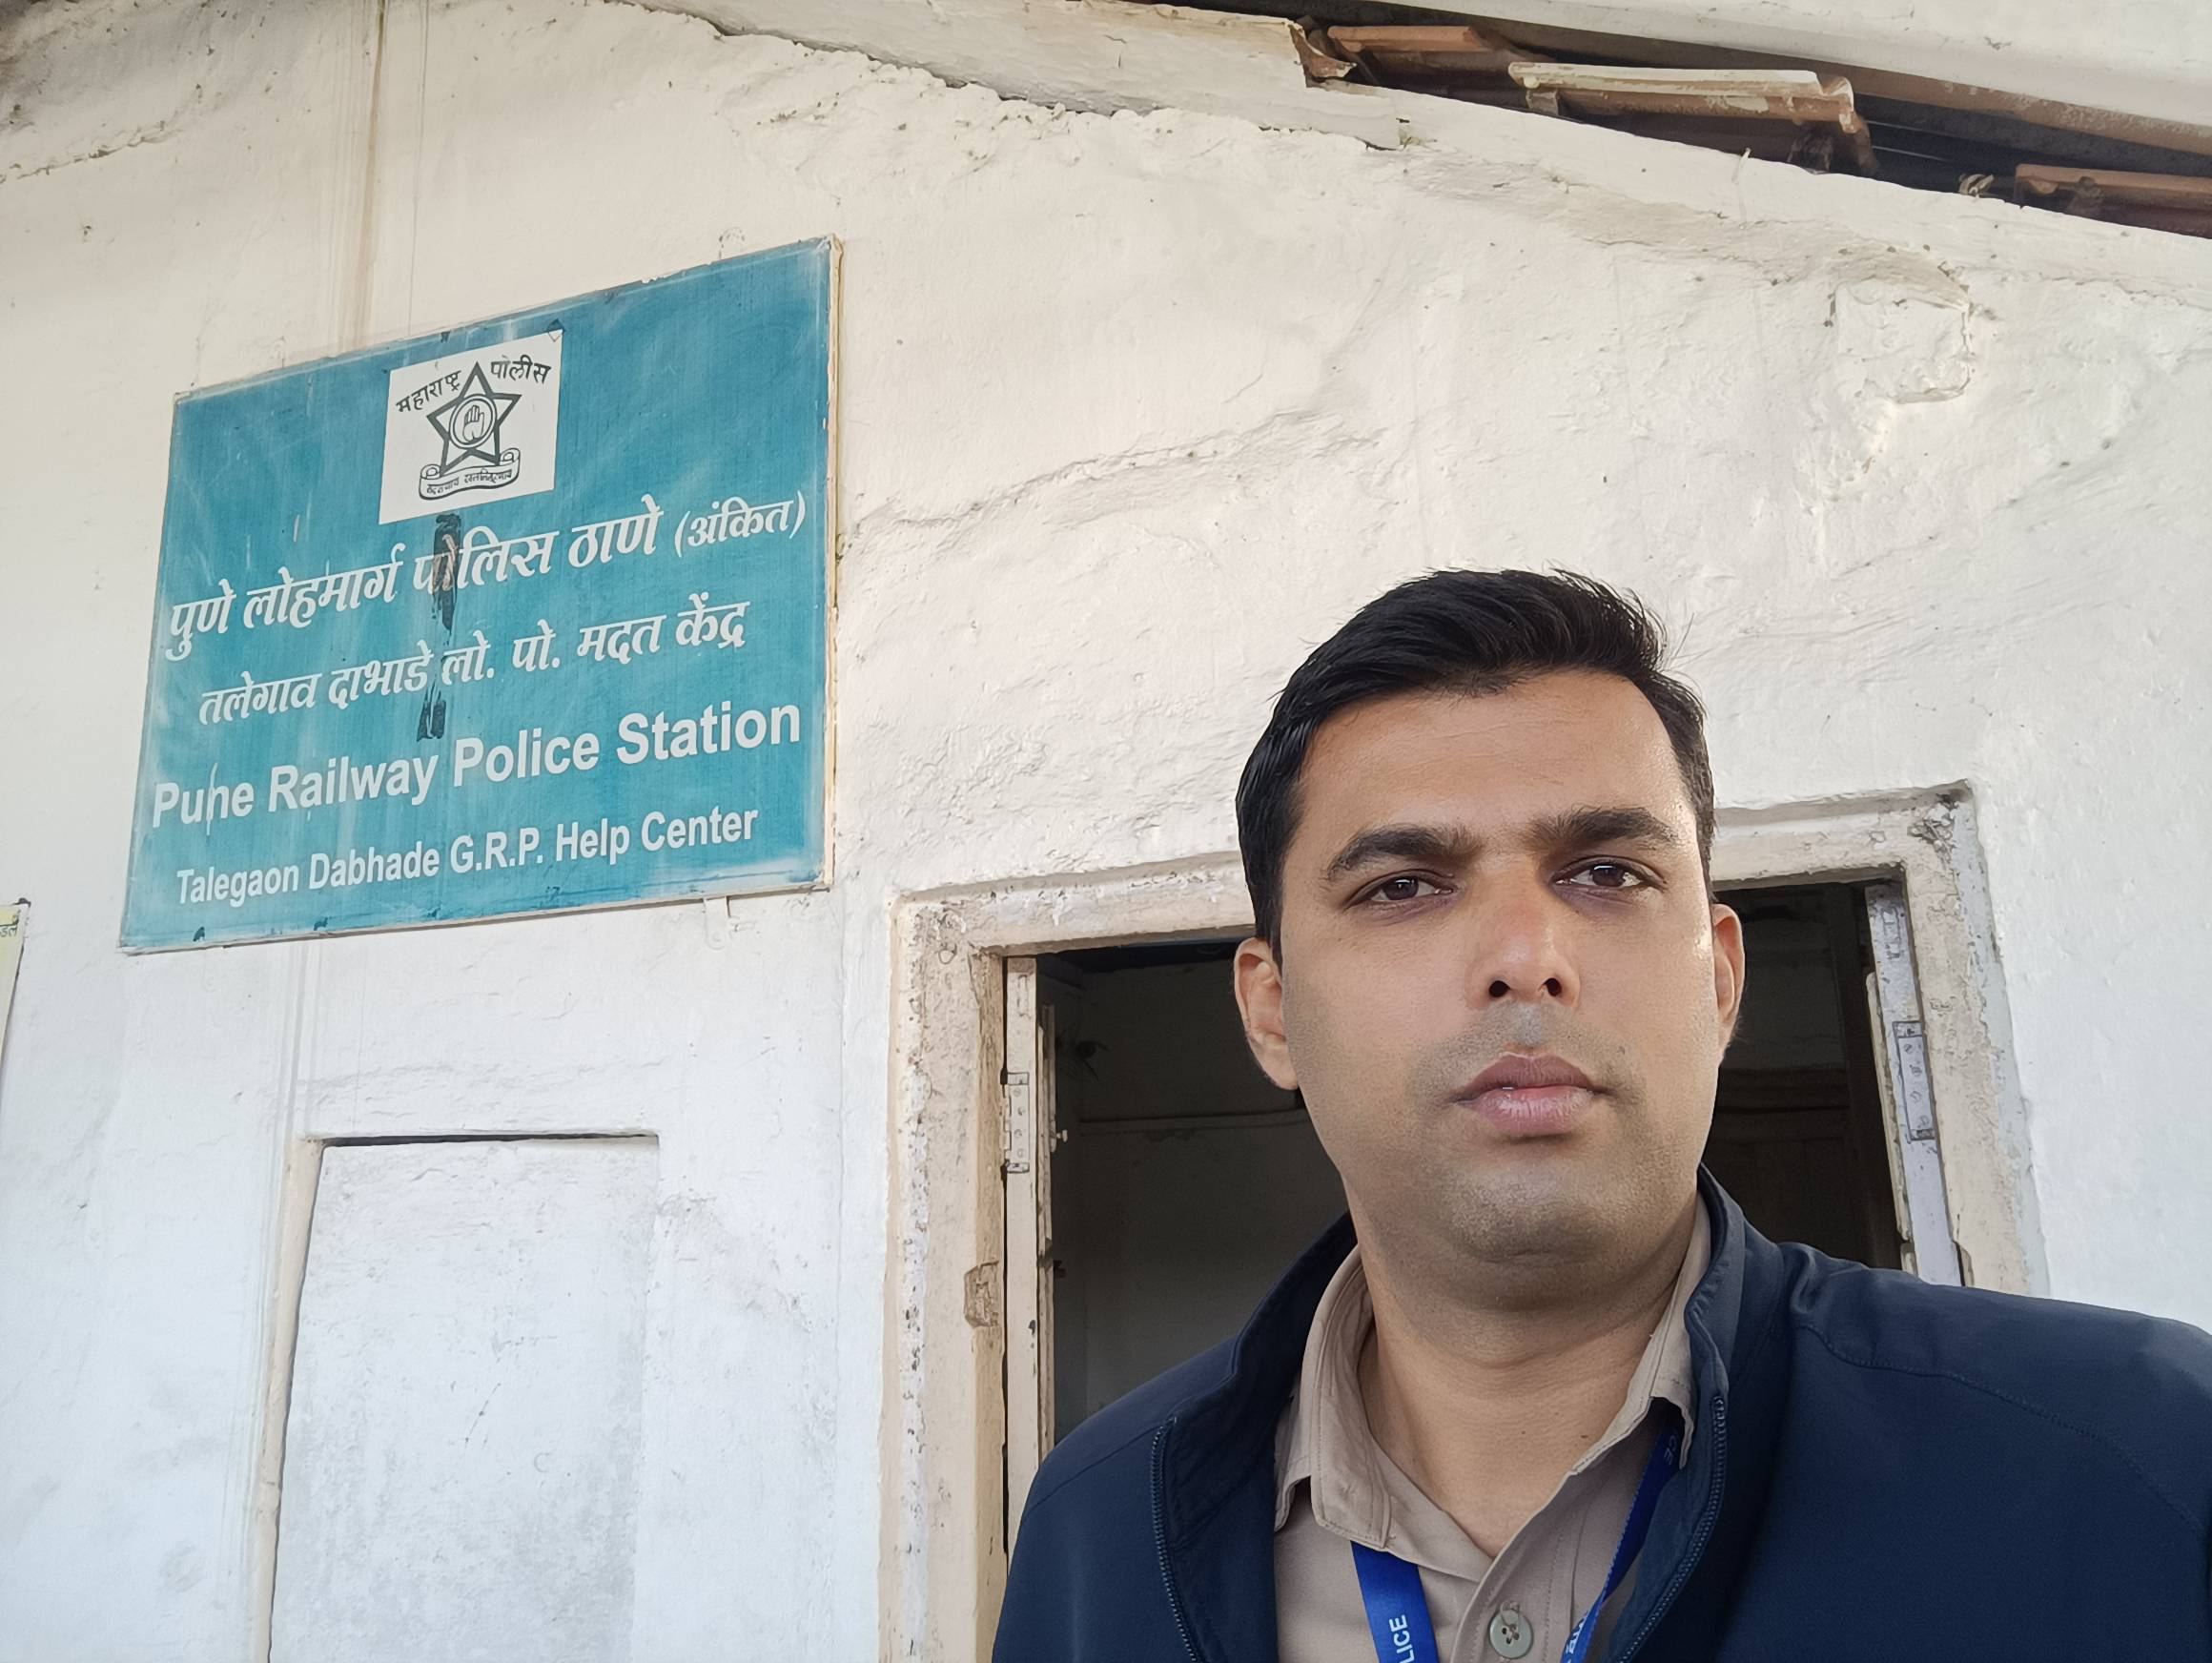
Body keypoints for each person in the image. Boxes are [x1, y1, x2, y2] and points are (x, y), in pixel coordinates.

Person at [993, 569, 2212, 1662]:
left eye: (1606, 872)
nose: (1525, 957)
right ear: (1271, 1011)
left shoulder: (2137, 1460)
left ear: (1719, 978)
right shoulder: (1100, 1523)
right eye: (1403, 885)